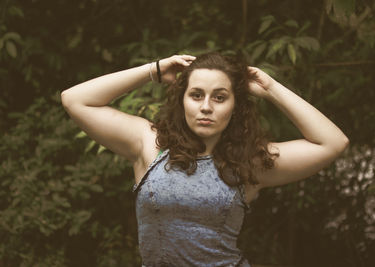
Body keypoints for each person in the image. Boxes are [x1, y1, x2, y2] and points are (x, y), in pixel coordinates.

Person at [61, 52, 349, 266]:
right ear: (181, 99)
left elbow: (333, 142)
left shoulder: (250, 162)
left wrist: (271, 89)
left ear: (235, 106)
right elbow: (75, 99)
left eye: (220, 97)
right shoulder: (150, 144)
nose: (206, 107)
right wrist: (154, 69)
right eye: (196, 95)